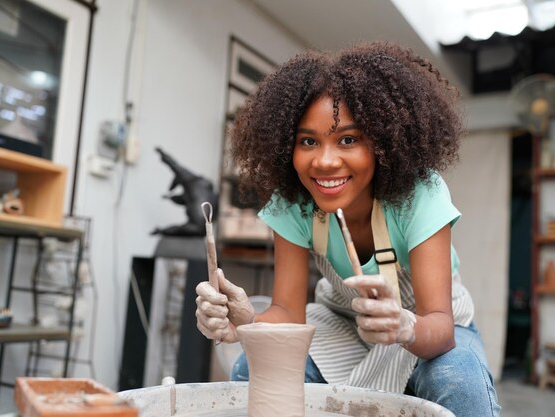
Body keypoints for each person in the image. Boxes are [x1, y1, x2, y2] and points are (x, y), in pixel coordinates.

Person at [195, 41, 501, 417]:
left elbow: (439, 325)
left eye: (348, 140)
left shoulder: (420, 194)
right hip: (342, 326)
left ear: (384, 142)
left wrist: (403, 326)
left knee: (458, 380)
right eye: (308, 141)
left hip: (427, 326)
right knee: (254, 367)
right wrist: (246, 321)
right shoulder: (293, 203)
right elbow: (288, 315)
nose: (325, 161)